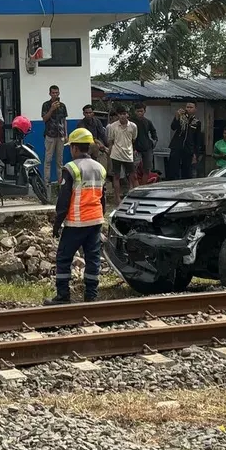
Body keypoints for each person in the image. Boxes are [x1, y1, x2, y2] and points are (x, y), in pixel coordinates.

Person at [45, 127, 107, 305]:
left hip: (76, 222)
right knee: (93, 259)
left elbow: (64, 200)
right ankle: (91, 296)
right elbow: (101, 198)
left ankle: (63, 296)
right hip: (95, 221)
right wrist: (100, 218)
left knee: (64, 258)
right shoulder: (100, 168)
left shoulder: (71, 168)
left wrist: (57, 224)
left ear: (74, 148)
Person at [106, 105, 138, 207]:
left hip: (128, 154)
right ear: (118, 115)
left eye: (124, 114)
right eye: (120, 114)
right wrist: (110, 153)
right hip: (116, 154)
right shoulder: (113, 126)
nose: (123, 116)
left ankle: (136, 197)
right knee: (116, 176)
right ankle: (117, 198)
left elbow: (133, 139)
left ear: (127, 114)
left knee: (133, 176)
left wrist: (131, 150)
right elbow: (111, 141)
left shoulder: (133, 126)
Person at [167, 102, 203, 180]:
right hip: (176, 146)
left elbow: (197, 139)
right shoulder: (181, 117)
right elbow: (173, 127)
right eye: (187, 107)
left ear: (195, 109)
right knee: (173, 169)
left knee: (186, 171)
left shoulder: (197, 122)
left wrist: (195, 154)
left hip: (188, 149)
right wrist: (176, 116)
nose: (188, 109)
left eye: (191, 107)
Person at [40, 85, 69, 184]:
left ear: (59, 93)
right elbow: (44, 119)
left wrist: (66, 134)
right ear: (50, 93)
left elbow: (64, 120)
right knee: (48, 160)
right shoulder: (46, 105)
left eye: (57, 93)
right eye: (53, 93)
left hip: (60, 135)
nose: (55, 95)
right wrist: (51, 109)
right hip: (50, 135)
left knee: (59, 161)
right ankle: (46, 182)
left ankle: (60, 182)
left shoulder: (63, 106)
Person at [131, 103, 157, 184]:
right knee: (133, 169)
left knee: (147, 169)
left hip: (147, 148)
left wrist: (154, 141)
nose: (139, 113)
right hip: (136, 149)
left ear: (144, 111)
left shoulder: (148, 122)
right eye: (138, 111)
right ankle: (134, 187)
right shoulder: (131, 122)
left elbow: (153, 132)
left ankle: (143, 186)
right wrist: (133, 148)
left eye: (141, 111)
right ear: (135, 111)